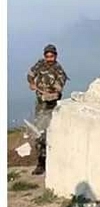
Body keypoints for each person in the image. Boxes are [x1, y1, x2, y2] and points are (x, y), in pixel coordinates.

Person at [27, 44, 68, 175]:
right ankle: (41, 163)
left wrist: (49, 93)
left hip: (52, 107)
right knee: (39, 134)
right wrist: (32, 84)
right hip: (40, 106)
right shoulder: (39, 65)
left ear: (56, 56)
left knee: (53, 134)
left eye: (52, 56)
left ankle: (55, 162)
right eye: (47, 55)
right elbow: (30, 74)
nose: (49, 58)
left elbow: (58, 88)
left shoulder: (59, 70)